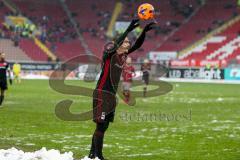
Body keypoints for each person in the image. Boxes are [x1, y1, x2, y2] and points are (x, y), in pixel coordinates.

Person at [89, 19, 155, 160]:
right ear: (117, 44)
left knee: (104, 126)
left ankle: (92, 153)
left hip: (111, 97)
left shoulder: (123, 56)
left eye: (127, 42)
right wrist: (128, 29)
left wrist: (143, 32)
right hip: (101, 94)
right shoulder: (109, 54)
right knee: (100, 126)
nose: (128, 43)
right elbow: (117, 43)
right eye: (125, 42)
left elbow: (137, 44)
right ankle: (99, 156)